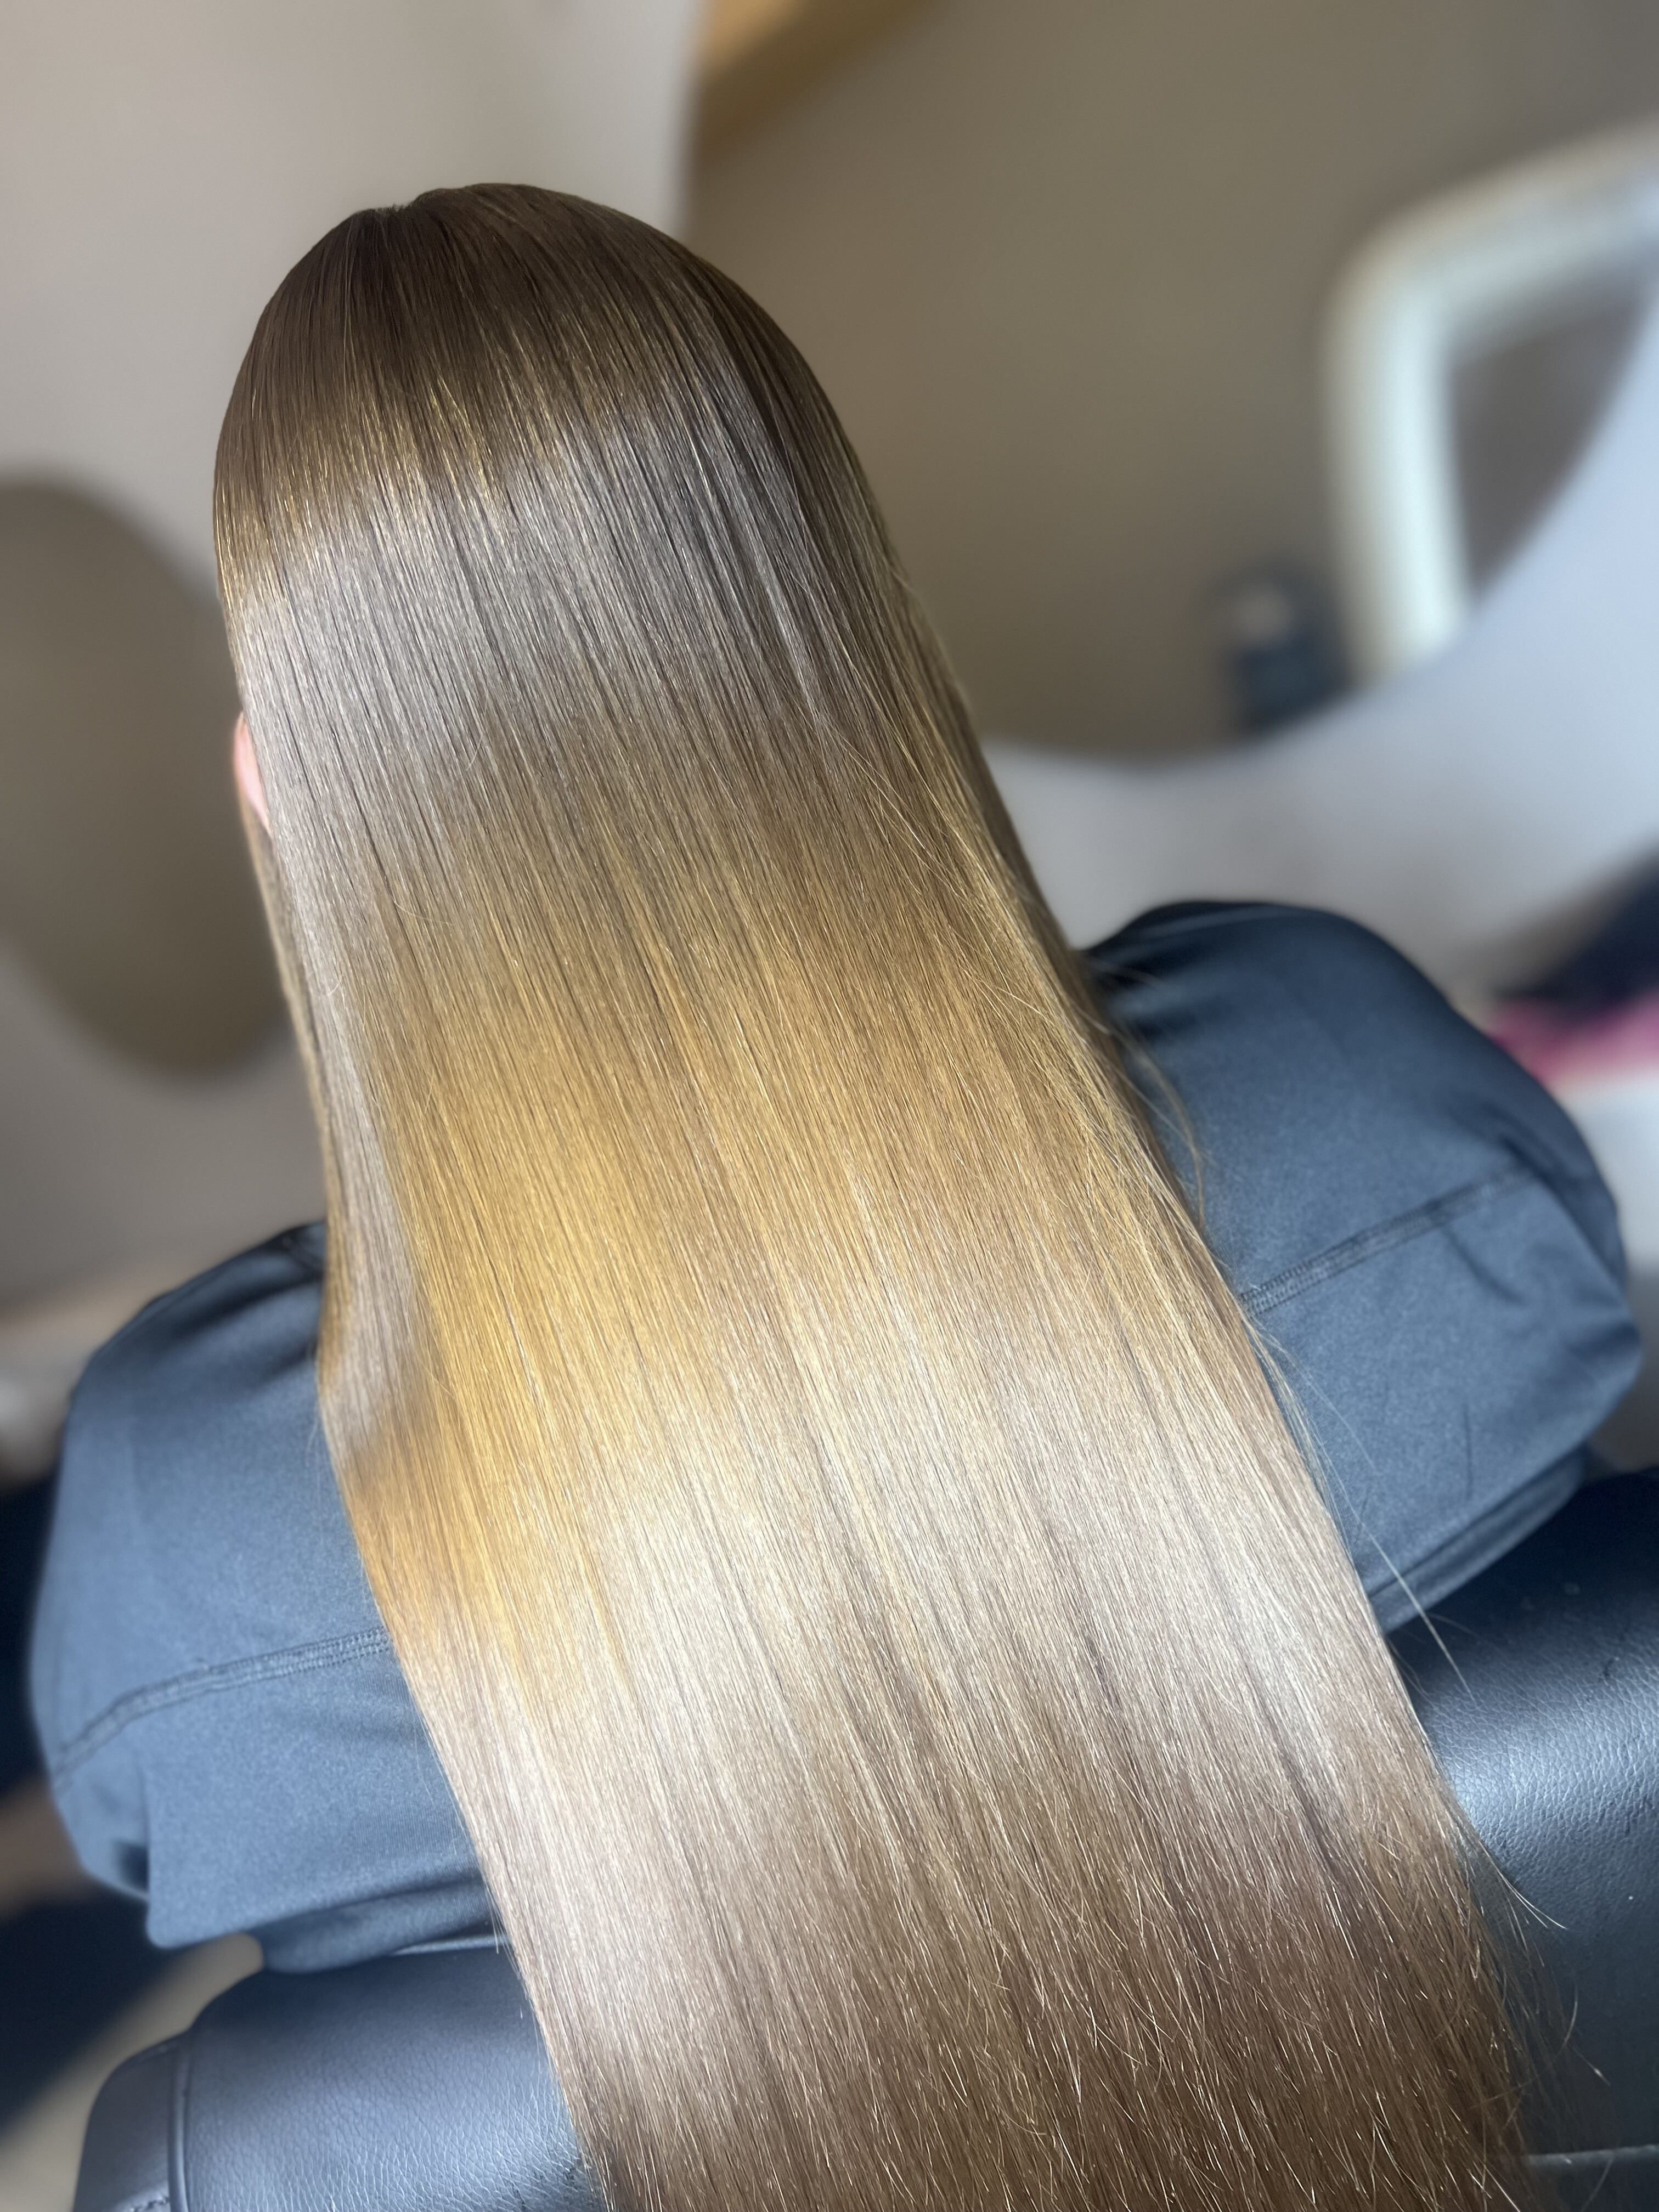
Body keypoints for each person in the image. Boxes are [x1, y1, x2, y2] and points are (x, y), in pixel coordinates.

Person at [31, 188, 1641, 2212]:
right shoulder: (1341, 1085)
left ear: (278, 794)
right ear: (863, 626)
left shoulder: (185, 1523)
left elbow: (142, 1833)